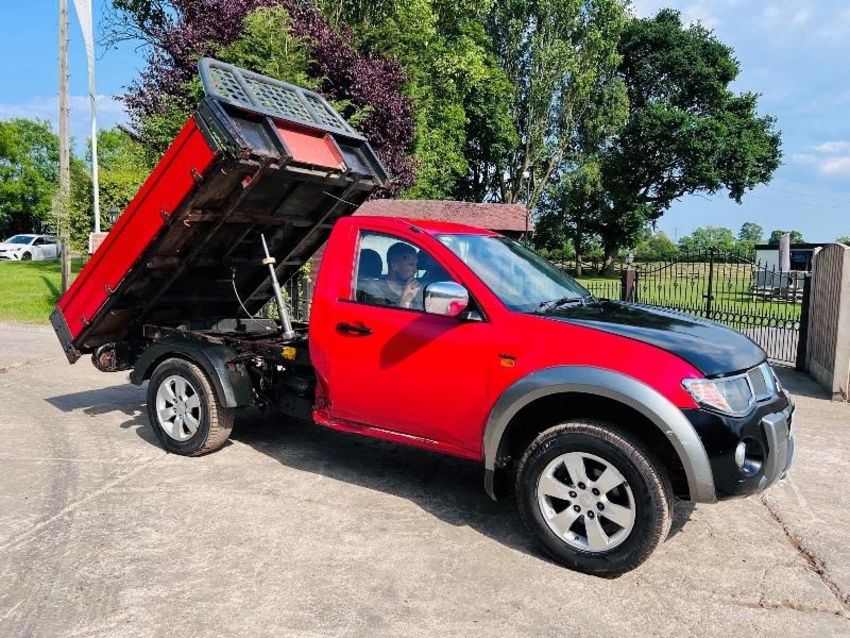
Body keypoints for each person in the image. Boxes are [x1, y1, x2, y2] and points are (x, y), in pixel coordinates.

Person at [360, 242, 423, 309]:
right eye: (411, 265)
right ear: (394, 265)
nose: (415, 270)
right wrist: (405, 301)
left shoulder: (414, 289)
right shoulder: (374, 289)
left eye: (416, 265)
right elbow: (383, 315)